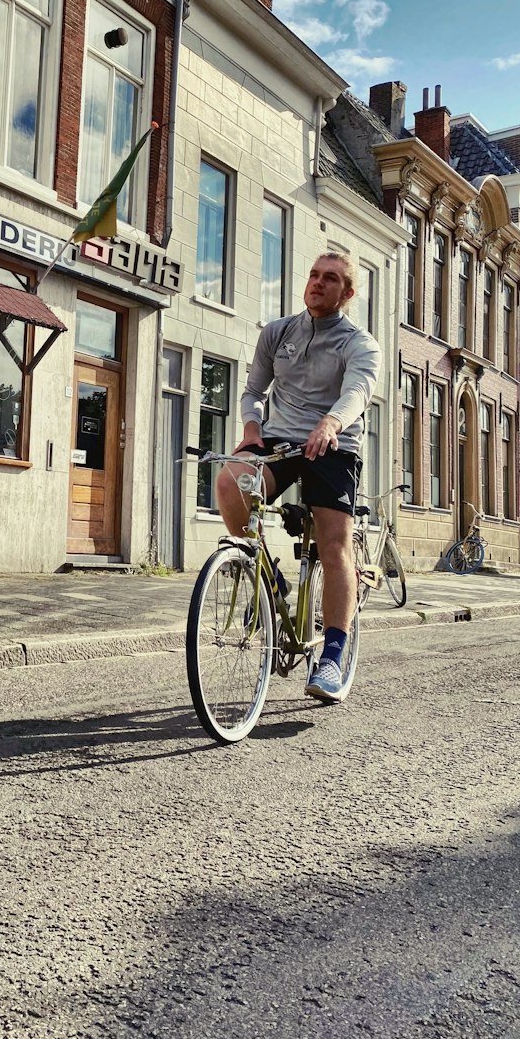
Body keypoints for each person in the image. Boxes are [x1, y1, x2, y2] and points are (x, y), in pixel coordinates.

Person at [215, 252, 381, 703]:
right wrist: (251, 432)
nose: (317, 283)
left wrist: (331, 424)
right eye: (313, 275)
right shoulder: (278, 332)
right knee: (230, 483)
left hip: (333, 444)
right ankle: (271, 581)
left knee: (333, 546)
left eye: (330, 279)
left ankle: (331, 656)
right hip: (279, 440)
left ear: (347, 293)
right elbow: (253, 391)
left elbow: (358, 392)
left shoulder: (359, 343)